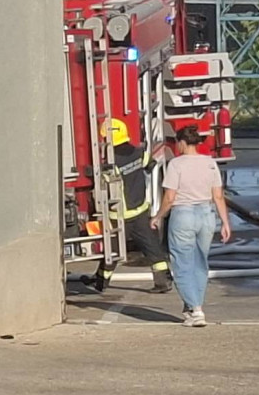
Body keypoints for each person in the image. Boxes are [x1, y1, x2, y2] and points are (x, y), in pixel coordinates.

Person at [150, 125, 232, 327]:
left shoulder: (176, 165)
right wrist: (225, 223)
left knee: (182, 264)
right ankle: (193, 306)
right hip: (206, 215)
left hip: (183, 215)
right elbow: (218, 196)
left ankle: (196, 310)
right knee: (199, 262)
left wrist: (158, 216)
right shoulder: (210, 163)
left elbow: (169, 198)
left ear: (182, 143)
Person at [85, 118, 173, 294]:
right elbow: (151, 165)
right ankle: (163, 281)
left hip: (120, 215)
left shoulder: (112, 162)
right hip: (140, 210)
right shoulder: (139, 152)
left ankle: (101, 282)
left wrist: (88, 171)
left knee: (113, 251)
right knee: (152, 247)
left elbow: (104, 180)